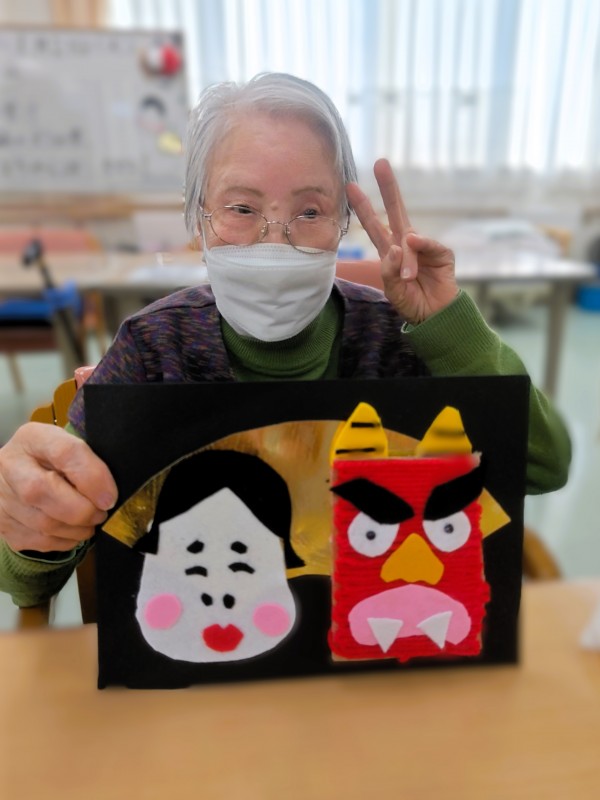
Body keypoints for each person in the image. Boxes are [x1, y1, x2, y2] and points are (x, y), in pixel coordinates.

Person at [0, 72, 571, 609]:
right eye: (241, 208)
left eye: (310, 210)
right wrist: (32, 518)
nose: (275, 239)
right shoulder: (154, 348)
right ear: (198, 220)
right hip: (209, 646)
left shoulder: (396, 339)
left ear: (344, 223)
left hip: (377, 642)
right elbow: (26, 579)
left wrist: (449, 328)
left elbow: (543, 467)